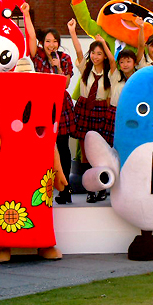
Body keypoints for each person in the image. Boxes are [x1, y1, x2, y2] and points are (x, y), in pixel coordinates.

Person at [22, 3, 77, 205]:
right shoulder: (36, 57)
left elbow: (66, 84)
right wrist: (26, 14)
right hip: (40, 105)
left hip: (60, 106)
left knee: (63, 148)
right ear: (42, 42)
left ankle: (65, 189)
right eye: (47, 41)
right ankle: (42, 191)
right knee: (41, 148)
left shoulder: (64, 58)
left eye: (55, 41)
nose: (51, 45)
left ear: (59, 43)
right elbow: (30, 36)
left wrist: (58, 68)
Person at [67, 18, 115, 203]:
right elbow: (79, 51)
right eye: (93, 53)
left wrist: (103, 43)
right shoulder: (86, 68)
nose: (95, 56)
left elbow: (113, 61)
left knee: (100, 151)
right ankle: (91, 189)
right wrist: (72, 31)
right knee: (85, 153)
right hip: (84, 109)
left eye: (99, 53)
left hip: (101, 111)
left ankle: (101, 187)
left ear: (104, 56)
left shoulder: (110, 72)